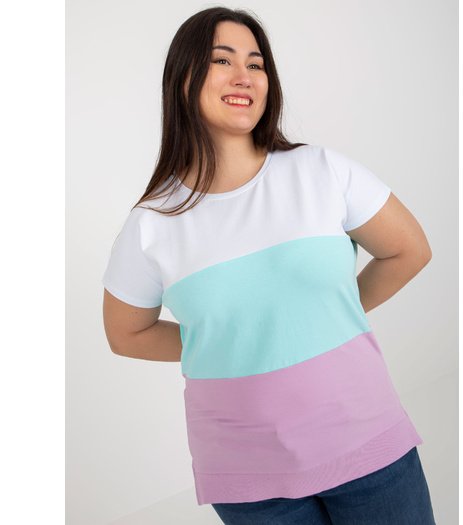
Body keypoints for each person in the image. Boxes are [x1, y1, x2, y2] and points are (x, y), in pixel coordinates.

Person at [102, 6, 436, 524]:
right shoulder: (152, 222)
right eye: (222, 60)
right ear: (183, 77)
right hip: (248, 479)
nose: (244, 76)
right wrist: (233, 339)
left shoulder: (322, 171)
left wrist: (324, 314)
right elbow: (126, 334)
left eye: (256, 64)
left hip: (367, 445)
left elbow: (409, 250)